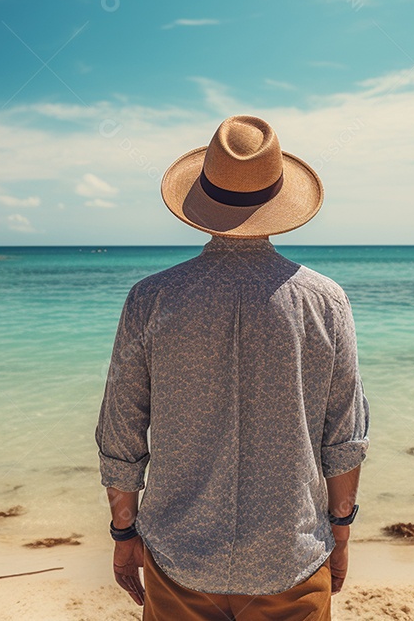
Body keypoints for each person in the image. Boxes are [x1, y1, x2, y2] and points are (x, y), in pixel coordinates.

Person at [96, 115, 370, 620]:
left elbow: (122, 432)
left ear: (201, 200)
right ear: (278, 200)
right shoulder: (326, 301)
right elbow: (344, 438)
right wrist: (342, 531)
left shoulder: (152, 299)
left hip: (180, 560)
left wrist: (123, 531)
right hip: (289, 560)